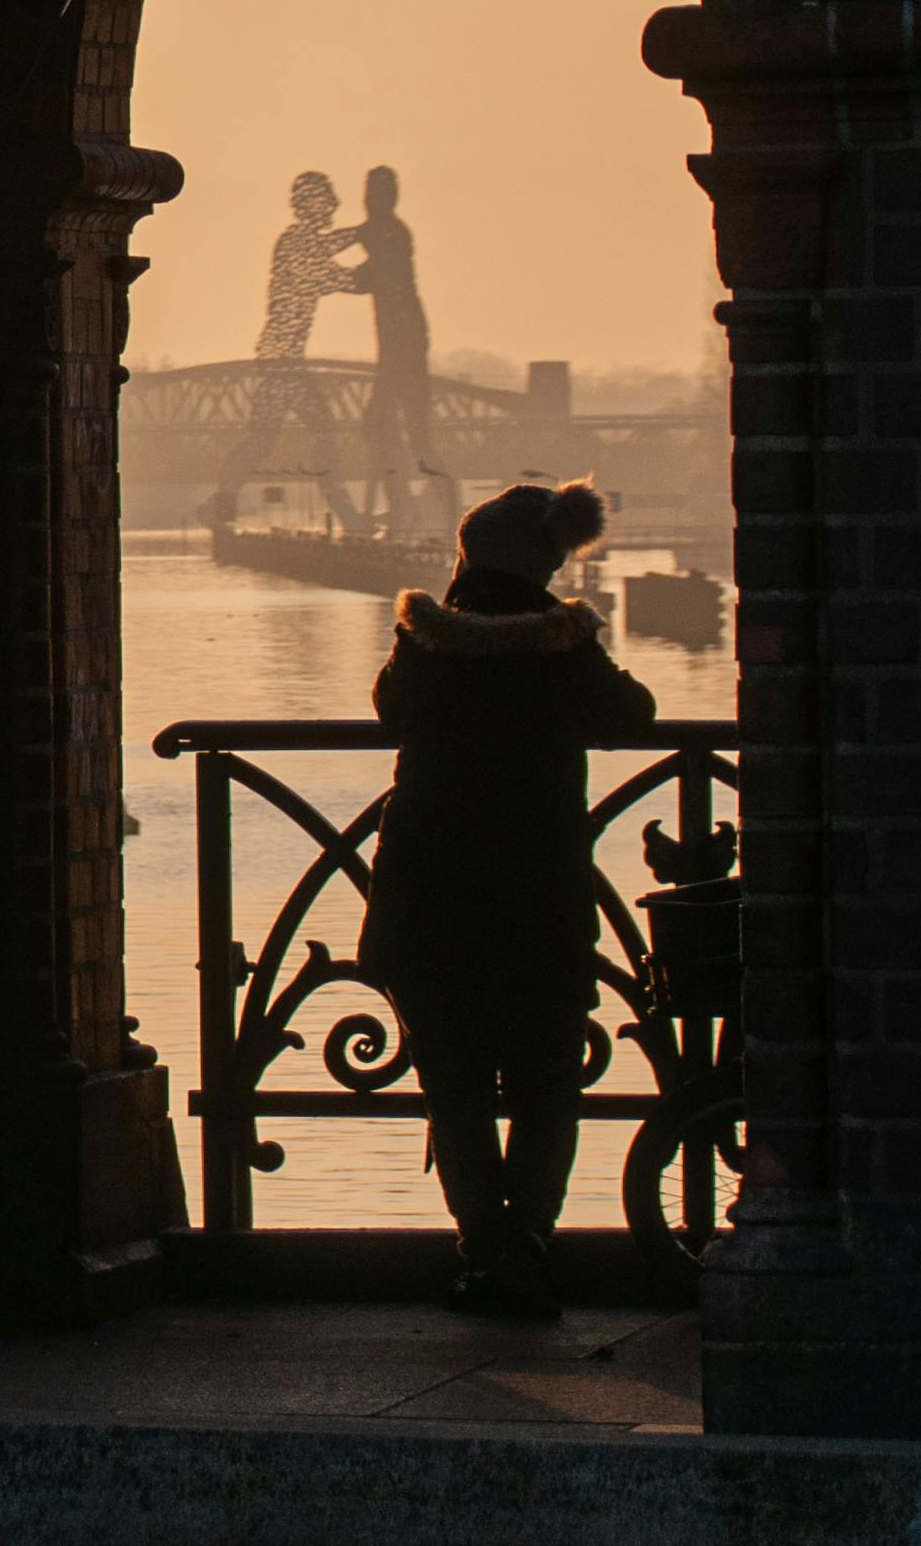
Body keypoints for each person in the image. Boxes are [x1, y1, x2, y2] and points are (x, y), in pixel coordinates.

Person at [357, 477, 652, 1319]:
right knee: (546, 1083)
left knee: (454, 1086)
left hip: (427, 893)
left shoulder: (427, 641)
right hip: (537, 893)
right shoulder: (564, 646)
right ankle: (530, 1245)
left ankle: (482, 1248)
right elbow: (633, 712)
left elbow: (387, 709)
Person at [210, 170, 368, 524]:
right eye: (326, 200)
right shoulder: (296, 243)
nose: (335, 205)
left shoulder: (302, 240)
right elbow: (335, 277)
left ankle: (220, 505)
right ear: (310, 204)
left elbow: (329, 246)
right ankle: (348, 515)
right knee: (315, 432)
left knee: (265, 439)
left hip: (281, 360)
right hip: (282, 362)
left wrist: (361, 233)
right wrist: (374, 267)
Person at [346, 167, 441, 536]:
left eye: (375, 190)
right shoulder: (382, 230)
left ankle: (415, 510)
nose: (369, 197)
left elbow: (368, 276)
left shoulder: (387, 231)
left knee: (407, 430)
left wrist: (317, 275)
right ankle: (406, 508)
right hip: (398, 339)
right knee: (384, 426)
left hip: (404, 341)